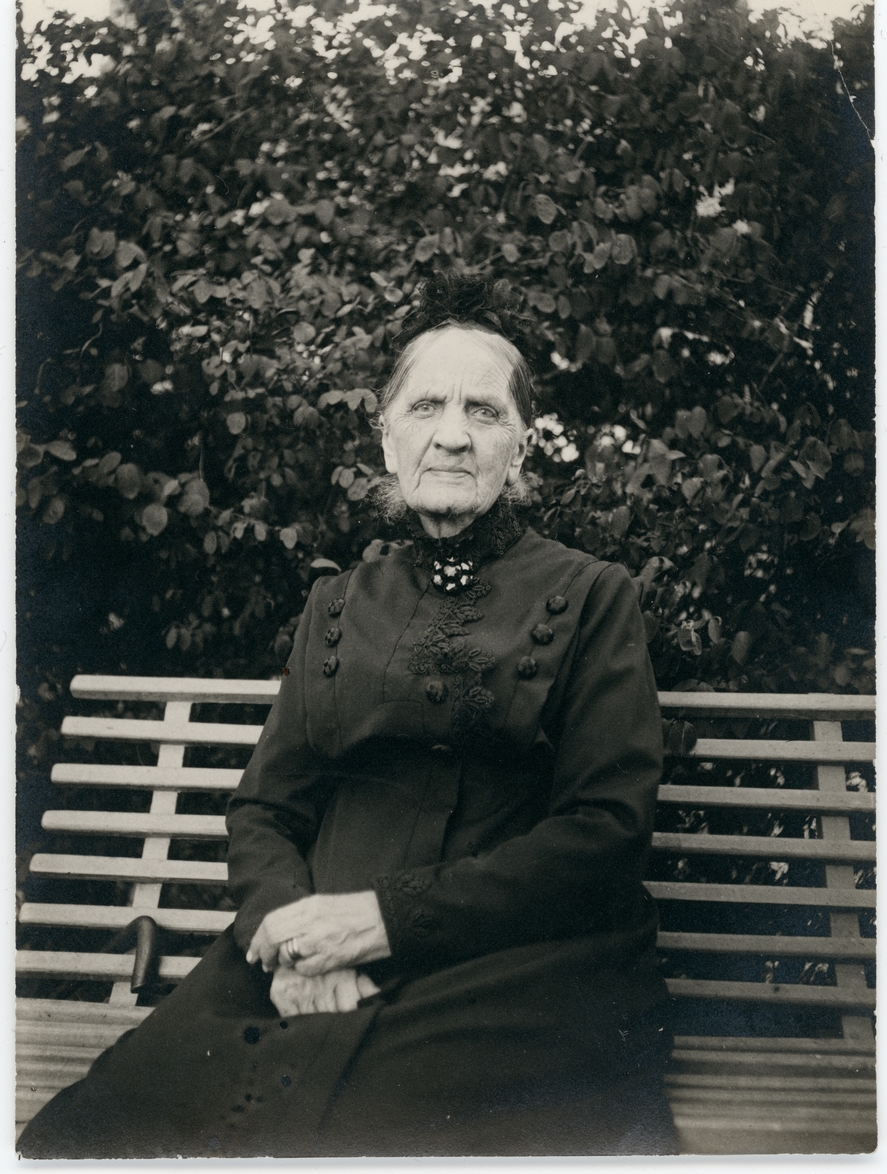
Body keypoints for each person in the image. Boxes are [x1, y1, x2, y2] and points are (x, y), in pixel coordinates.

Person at [18, 274, 678, 1158]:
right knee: (111, 1124)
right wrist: (288, 937)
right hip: (306, 948)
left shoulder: (593, 595)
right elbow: (264, 809)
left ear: (520, 448)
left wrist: (382, 922)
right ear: (386, 437)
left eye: (483, 412)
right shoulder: (334, 603)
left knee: (377, 1118)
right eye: (425, 406)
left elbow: (605, 829)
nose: (452, 434)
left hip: (514, 966)